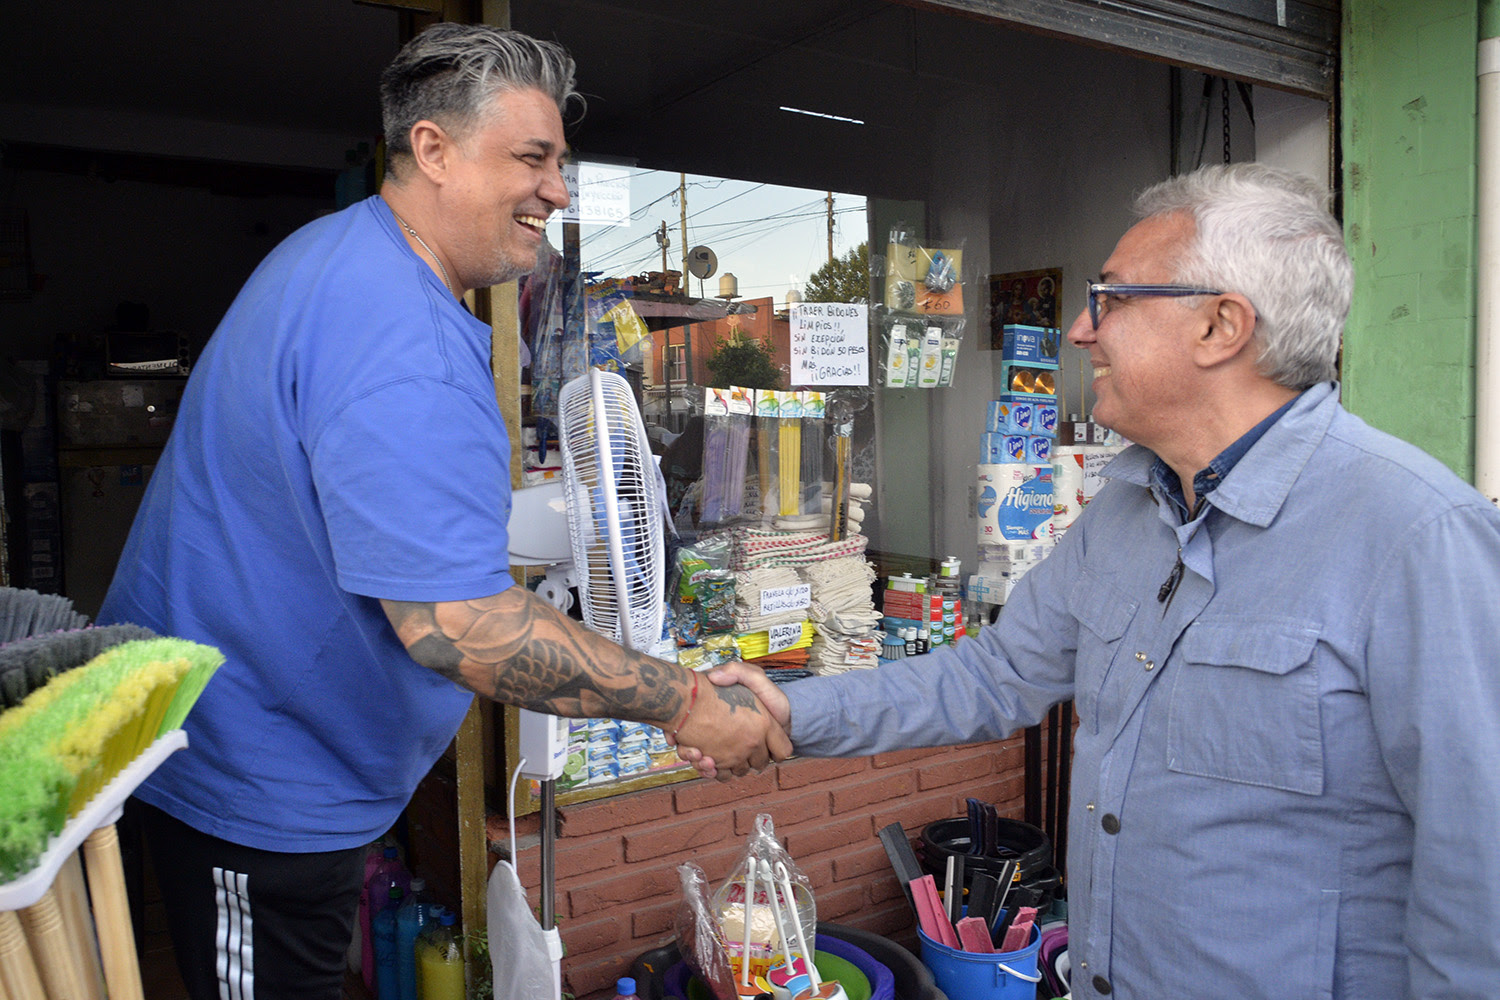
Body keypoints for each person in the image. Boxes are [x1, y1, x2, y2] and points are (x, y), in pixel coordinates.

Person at [686, 163, 1500, 999]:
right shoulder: (1124, 510)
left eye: (1110, 298)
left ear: (1221, 325)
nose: (1080, 329)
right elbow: (996, 674)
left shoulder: (1417, 537)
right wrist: (791, 709)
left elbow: (1480, 869)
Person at [99, 24, 788, 1000]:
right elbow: (454, 626)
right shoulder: (399, 333)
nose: (557, 189)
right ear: (432, 149)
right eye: (532, 158)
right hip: (252, 794)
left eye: (560, 163)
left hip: (273, 766)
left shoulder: (340, 257)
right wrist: (684, 700)